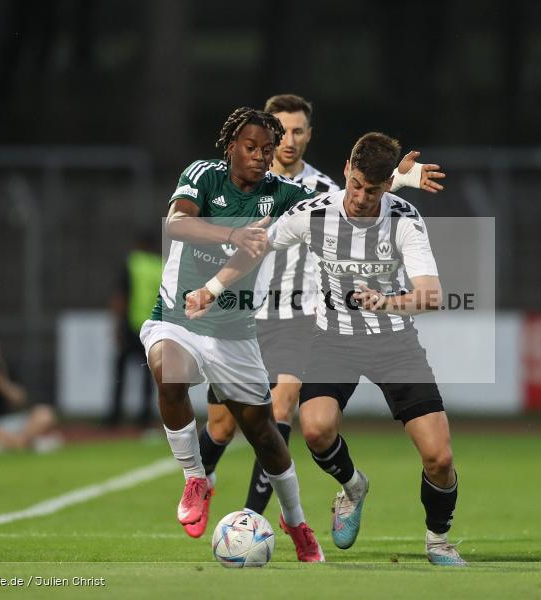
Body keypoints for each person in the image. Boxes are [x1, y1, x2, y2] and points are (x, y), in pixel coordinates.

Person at [185, 132, 466, 566]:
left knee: (439, 457)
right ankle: (353, 486)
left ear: (387, 186)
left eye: (371, 190)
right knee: (315, 430)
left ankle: (438, 540)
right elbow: (256, 247)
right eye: (354, 184)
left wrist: (387, 301)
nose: (359, 197)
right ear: (346, 173)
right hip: (332, 339)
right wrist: (211, 288)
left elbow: (431, 294)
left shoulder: (405, 218)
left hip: (395, 341)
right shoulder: (314, 213)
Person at [140, 106, 324, 561]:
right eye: (251, 147)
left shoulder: (280, 193)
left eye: (267, 149)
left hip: (236, 332)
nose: (261, 156)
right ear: (230, 147)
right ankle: (195, 479)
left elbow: (335, 205)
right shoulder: (204, 175)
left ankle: (297, 522)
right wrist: (234, 233)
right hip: (178, 317)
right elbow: (176, 223)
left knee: (263, 434)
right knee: (170, 370)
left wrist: (393, 183)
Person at [106, 231, 161, 428]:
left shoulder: (132, 263)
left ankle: (114, 417)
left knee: (120, 373)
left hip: (130, 325)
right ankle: (145, 418)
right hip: (153, 327)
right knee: (148, 374)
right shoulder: (160, 266)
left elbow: (120, 296)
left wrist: (116, 325)